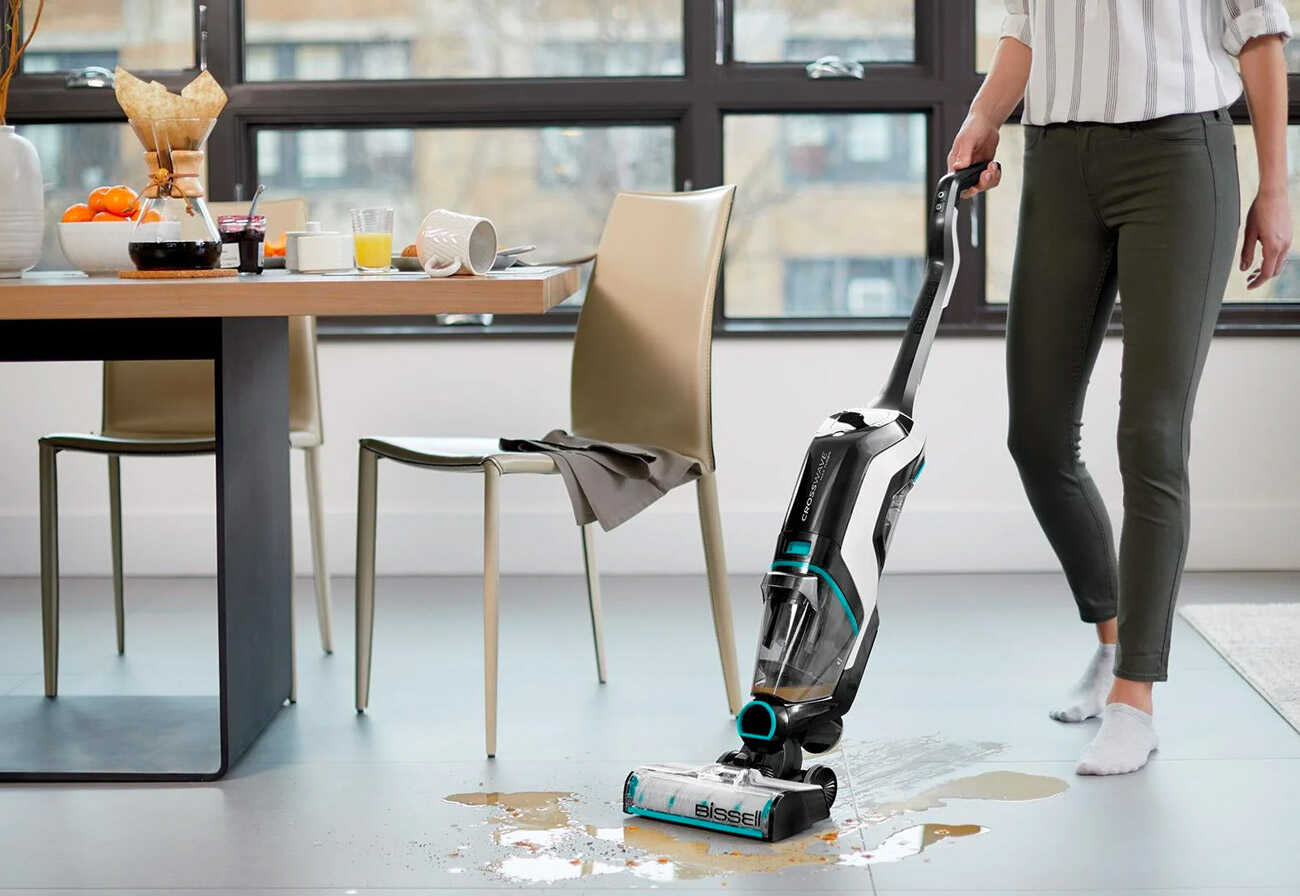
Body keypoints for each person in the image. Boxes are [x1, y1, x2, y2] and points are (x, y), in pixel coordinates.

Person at [949, 2, 1292, 775]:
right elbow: (1026, 34)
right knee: (1036, 437)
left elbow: (1262, 37)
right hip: (1060, 162)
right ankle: (1111, 644)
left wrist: (1275, 186)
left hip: (1178, 159)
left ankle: (1137, 694)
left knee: (1151, 434)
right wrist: (980, 118)